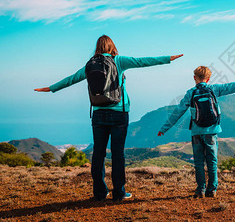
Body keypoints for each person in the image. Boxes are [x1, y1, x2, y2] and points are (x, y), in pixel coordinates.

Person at [35, 35, 183, 201]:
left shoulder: (90, 65)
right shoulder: (118, 61)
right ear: (112, 46)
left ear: (97, 47)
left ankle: (99, 193)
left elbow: (72, 79)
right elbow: (142, 61)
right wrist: (168, 58)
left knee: (98, 154)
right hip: (119, 113)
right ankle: (119, 193)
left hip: (98, 114)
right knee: (118, 154)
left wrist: (51, 88)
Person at [158, 66, 235, 198]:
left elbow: (177, 112)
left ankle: (200, 189)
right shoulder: (213, 89)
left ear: (194, 78)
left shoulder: (190, 93)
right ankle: (212, 190)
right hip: (212, 131)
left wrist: (164, 128)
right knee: (212, 161)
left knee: (199, 162)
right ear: (208, 78)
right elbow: (232, 86)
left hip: (196, 132)